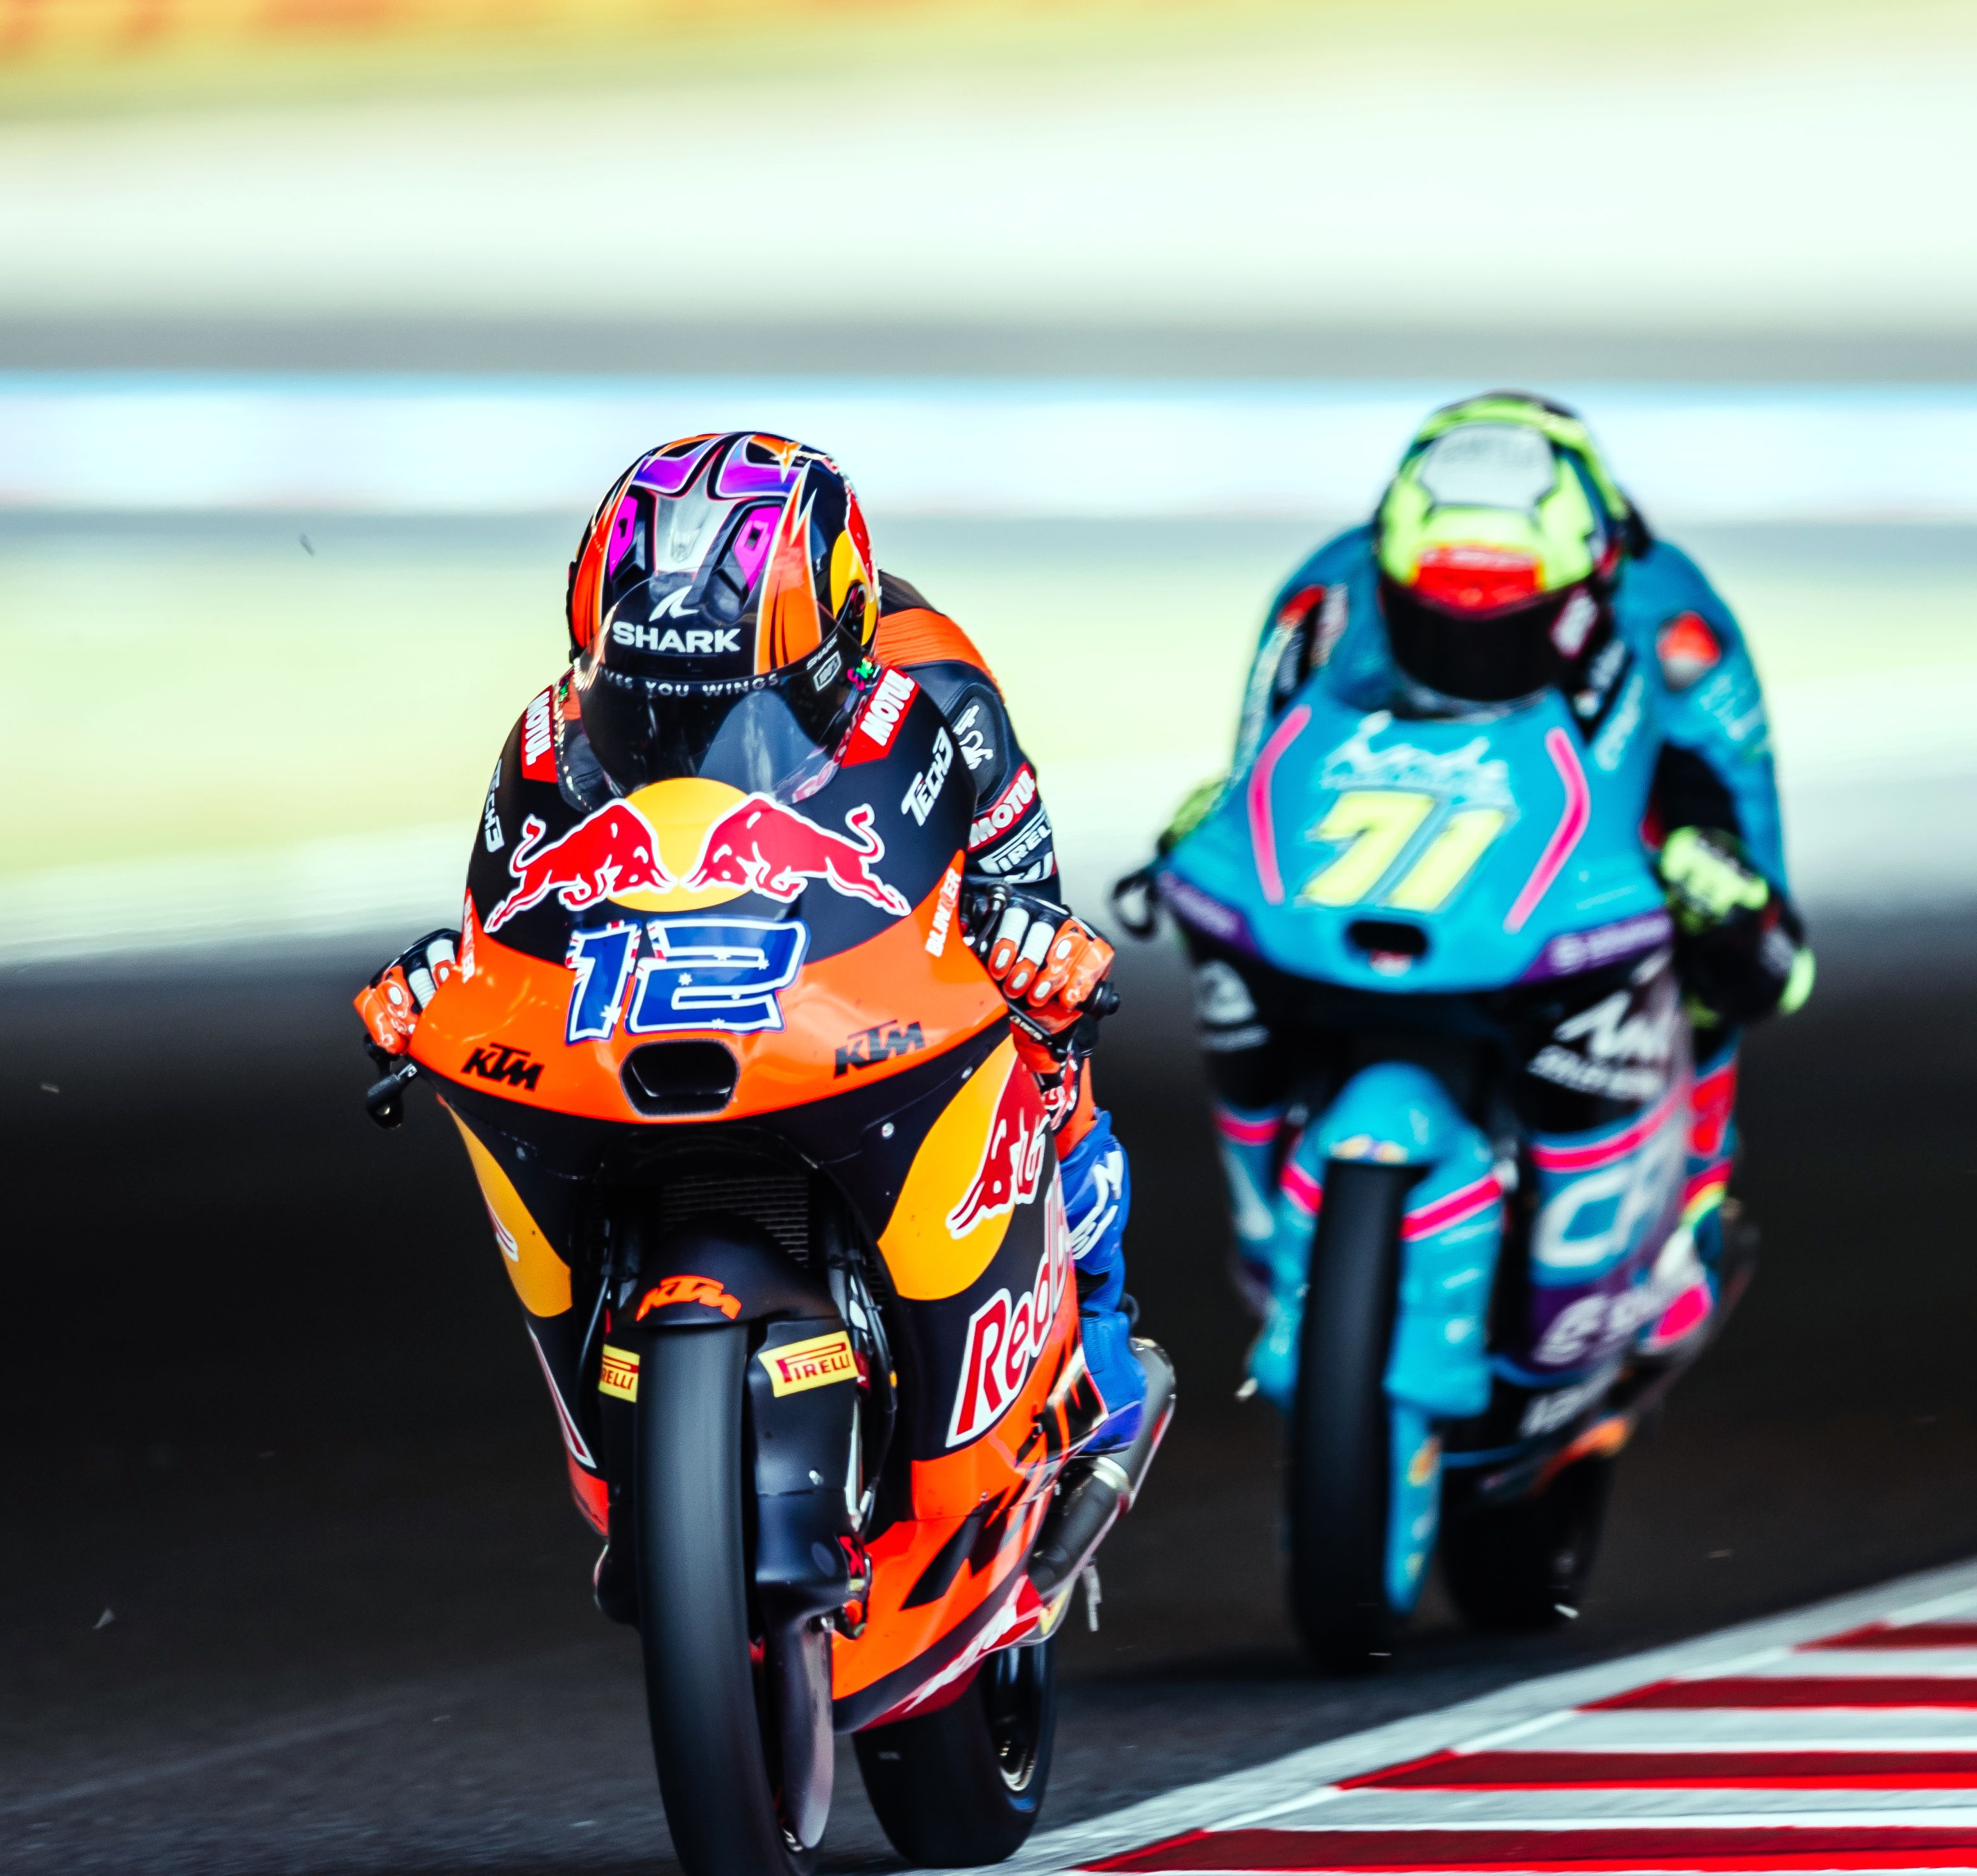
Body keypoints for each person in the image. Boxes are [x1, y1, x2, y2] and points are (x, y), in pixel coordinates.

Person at [356, 432, 1152, 1570]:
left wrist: (1029, 946)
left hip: (858, 981)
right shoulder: (550, 732)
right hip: (670, 996)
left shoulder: (940, 688)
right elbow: (511, 915)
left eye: (731, 708)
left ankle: (1097, 1350)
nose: (679, 734)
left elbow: (1025, 892)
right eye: (646, 704)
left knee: (1051, 1052)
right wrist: (444, 981)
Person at [1166, 391, 1810, 1346]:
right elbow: (1260, 777)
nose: (1467, 642)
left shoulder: (1677, 629)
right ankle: (1268, 1229)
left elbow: (1769, 915)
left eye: (1505, 620)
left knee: (1729, 943)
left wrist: (1722, 887)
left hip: (1589, 891)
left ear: (1589, 586)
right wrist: (1210, 830)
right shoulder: (1326, 596)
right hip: (1387, 882)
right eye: (1433, 615)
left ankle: (1690, 1200)